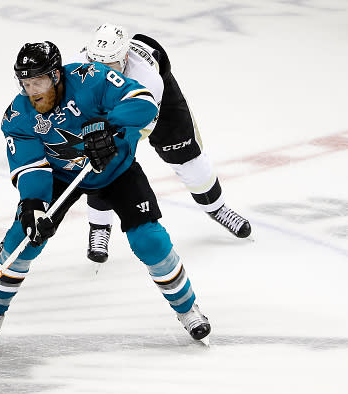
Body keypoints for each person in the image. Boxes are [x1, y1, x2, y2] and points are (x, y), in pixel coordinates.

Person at [0, 40, 211, 348]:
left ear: (56, 75)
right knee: (24, 237)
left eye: (39, 81)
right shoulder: (18, 116)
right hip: (59, 176)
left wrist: (109, 126)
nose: (33, 90)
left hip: (117, 170)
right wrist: (32, 204)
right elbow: (31, 166)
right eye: (26, 83)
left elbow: (143, 101)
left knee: (149, 240)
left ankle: (188, 310)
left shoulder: (91, 77)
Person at [73, 23, 252, 263]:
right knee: (98, 159)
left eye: (110, 66)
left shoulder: (148, 80)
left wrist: (112, 141)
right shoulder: (75, 69)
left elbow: (143, 127)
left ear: (125, 58)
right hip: (110, 106)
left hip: (153, 104)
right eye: (96, 65)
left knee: (186, 157)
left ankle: (217, 207)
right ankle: (99, 227)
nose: (103, 73)